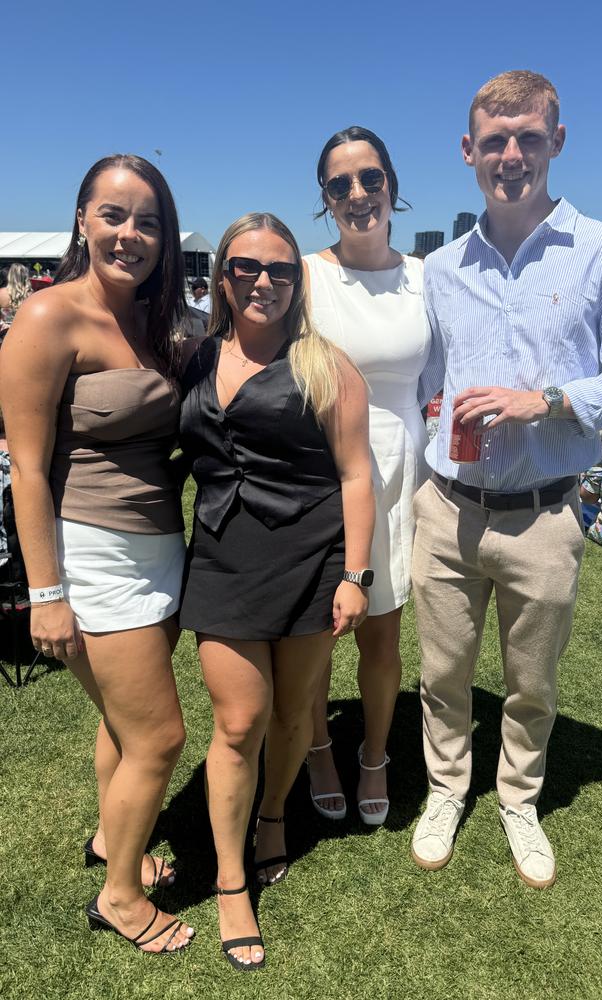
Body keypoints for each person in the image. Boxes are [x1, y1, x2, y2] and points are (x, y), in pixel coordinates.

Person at [411, 70, 602, 889]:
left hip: (545, 515)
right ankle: (446, 788)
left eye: (529, 138)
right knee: (442, 674)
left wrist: (544, 400)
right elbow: (425, 382)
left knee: (531, 681)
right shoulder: (440, 267)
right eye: (495, 140)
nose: (512, 156)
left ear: (557, 140)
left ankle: (518, 795)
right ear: (469, 151)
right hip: (447, 507)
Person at [0, 154, 195, 951]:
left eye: (148, 221)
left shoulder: (157, 321)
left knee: (121, 724)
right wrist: (47, 593)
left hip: (159, 548)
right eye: (114, 215)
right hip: (91, 555)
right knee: (160, 735)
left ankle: (113, 843)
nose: (130, 235)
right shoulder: (47, 319)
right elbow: (28, 471)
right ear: (82, 219)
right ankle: (119, 898)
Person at [178, 212, 373, 971]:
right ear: (222, 276)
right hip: (223, 560)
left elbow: (359, 474)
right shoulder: (193, 358)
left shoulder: (328, 365)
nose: (264, 281)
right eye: (247, 267)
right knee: (239, 722)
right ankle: (232, 883)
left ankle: (270, 814)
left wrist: (355, 577)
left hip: (311, 561)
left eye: (281, 269)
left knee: (295, 714)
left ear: (299, 281)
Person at [303, 126, 430, 826]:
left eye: (370, 178)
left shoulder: (423, 277)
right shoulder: (305, 275)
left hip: (402, 472)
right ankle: (320, 747)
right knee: (324, 629)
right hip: (327, 472)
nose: (357, 194)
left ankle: (374, 755)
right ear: (324, 199)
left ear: (392, 185)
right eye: (339, 184)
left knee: (383, 635)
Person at [0, 263, 32, 337]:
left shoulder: (1, 293)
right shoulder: (32, 295)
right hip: (25, 331)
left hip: (4, 333)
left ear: (10, 276)